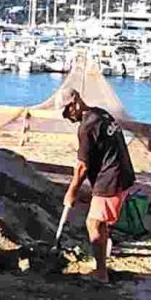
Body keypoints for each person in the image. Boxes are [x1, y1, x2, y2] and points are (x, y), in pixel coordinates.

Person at [59, 88, 136, 283]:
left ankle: (101, 274)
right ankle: (102, 263)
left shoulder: (86, 127)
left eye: (66, 112)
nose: (66, 117)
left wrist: (71, 191)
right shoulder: (101, 113)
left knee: (93, 223)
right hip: (122, 173)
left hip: (111, 179)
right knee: (100, 223)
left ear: (75, 103)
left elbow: (82, 166)